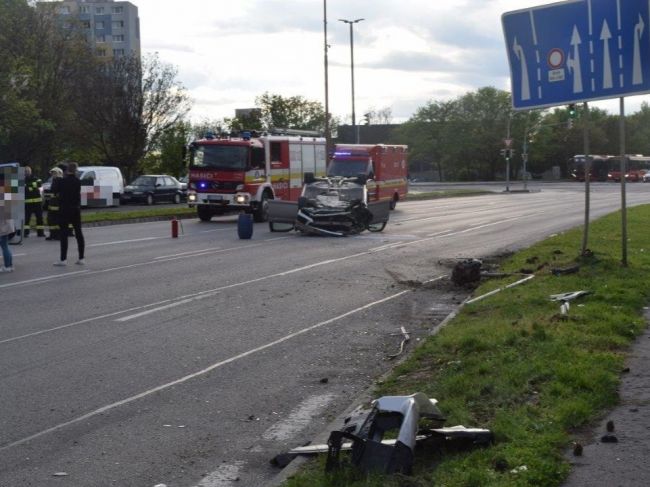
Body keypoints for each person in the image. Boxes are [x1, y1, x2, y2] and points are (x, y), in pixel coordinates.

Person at [52, 162, 85, 266]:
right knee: (78, 233)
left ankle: (63, 259)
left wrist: (56, 178)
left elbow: (54, 191)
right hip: (75, 209)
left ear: (66, 170)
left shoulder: (62, 181)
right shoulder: (77, 181)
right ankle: (81, 258)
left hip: (64, 210)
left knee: (64, 234)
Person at [23, 165, 45, 237]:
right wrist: (32, 187)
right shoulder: (22, 180)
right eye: (25, 171)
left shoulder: (37, 178)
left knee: (39, 218)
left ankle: (40, 233)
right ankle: (26, 233)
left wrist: (28, 187)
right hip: (27, 203)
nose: (26, 172)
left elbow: (39, 185)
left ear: (30, 171)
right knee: (26, 219)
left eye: (28, 171)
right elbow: (23, 189)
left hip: (37, 203)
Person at [45, 166, 64, 241]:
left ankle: (57, 235)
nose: (53, 174)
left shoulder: (60, 181)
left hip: (57, 204)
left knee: (56, 220)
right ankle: (53, 234)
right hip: (53, 203)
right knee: (51, 220)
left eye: (54, 173)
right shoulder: (54, 180)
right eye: (52, 173)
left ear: (59, 173)